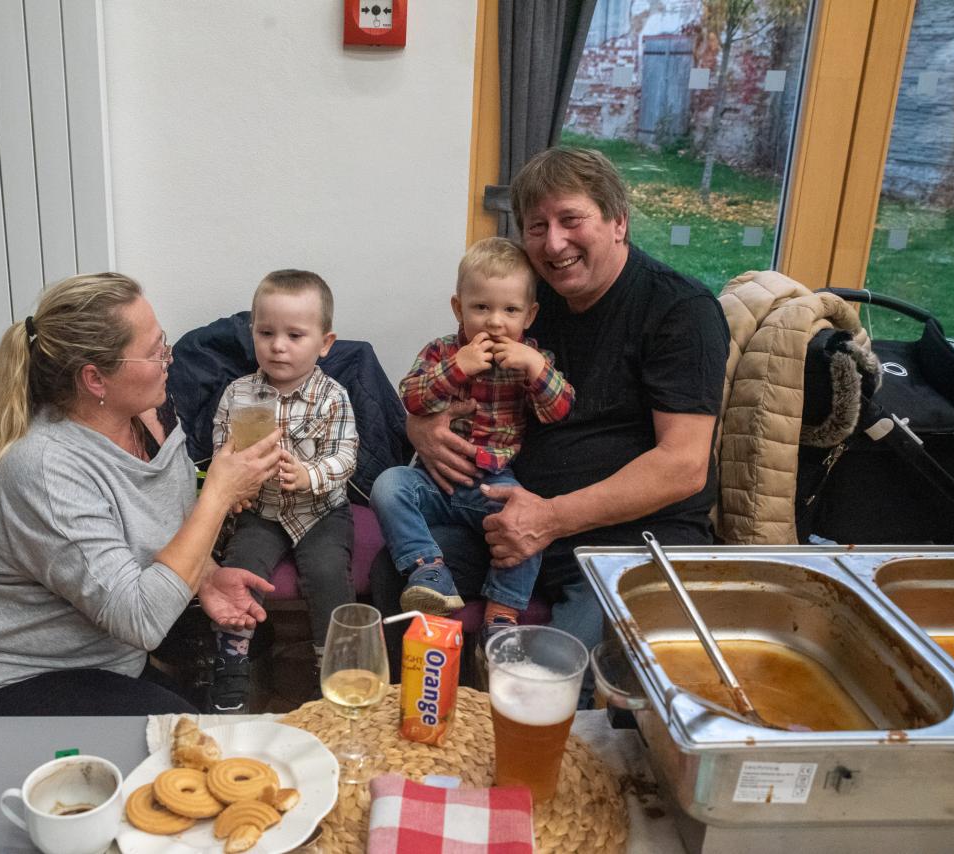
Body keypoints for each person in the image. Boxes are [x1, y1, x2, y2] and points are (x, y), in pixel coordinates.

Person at [375, 147, 729, 685]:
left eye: (571, 220)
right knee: (393, 574)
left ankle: (517, 721)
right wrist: (420, 427)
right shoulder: (530, 299)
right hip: (507, 516)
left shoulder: (680, 311)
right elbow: (447, 375)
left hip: (623, 542)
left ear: (618, 221)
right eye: (537, 227)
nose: (554, 243)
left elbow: (683, 466)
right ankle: (437, 717)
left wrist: (548, 520)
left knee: (552, 678)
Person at [0, 272, 283, 736]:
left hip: (102, 660)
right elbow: (141, 620)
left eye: (164, 342)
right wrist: (219, 494)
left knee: (201, 733)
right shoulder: (45, 468)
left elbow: (157, 522)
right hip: (1, 681)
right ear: (95, 378)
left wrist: (207, 575)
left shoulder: (151, 412)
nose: (169, 359)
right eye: (154, 352)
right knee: (185, 744)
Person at [370, 237, 573, 648]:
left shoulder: (532, 358)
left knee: (525, 524)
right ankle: (429, 571)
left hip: (493, 484)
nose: (495, 322)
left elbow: (559, 410)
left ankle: (502, 614)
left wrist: (535, 367)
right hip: (435, 480)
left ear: (530, 315)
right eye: (481, 307)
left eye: (510, 310)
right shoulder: (442, 351)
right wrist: (456, 368)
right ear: (458, 308)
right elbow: (411, 398)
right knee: (388, 485)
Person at [208, 270, 359, 713]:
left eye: (294, 335)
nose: (278, 346)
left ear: (324, 343)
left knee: (328, 573)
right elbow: (222, 451)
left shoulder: (333, 396)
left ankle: (334, 669)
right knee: (240, 569)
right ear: (252, 332)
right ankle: (232, 661)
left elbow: (346, 456)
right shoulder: (238, 394)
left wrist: (310, 475)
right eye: (266, 333)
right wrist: (233, 489)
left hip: (321, 511)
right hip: (262, 510)